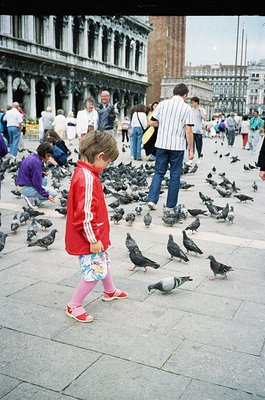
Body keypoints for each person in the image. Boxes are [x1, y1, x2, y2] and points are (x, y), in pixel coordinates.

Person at [65, 131, 128, 323]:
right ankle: (74, 305)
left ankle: (109, 291)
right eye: (107, 162)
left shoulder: (84, 172)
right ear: (100, 156)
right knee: (93, 274)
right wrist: (93, 240)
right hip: (89, 238)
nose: (107, 166)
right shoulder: (88, 179)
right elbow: (84, 215)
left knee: (103, 263)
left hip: (92, 235)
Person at [146, 83, 194, 212]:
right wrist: (191, 149)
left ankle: (151, 199)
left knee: (158, 173)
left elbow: (150, 121)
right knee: (174, 175)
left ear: (173, 92)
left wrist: (161, 124)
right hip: (177, 146)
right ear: (185, 95)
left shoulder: (162, 104)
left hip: (161, 144)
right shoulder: (186, 108)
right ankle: (170, 205)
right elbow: (188, 129)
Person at [16, 142, 57, 209]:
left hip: (21, 184)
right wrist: (47, 195)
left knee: (44, 180)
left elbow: (30, 172)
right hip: (25, 187)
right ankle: (33, 200)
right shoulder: (36, 162)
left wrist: (42, 174)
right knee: (53, 193)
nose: (48, 158)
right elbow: (36, 183)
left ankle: (32, 197)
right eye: (48, 156)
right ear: (44, 153)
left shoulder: (31, 157)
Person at [190, 96, 206, 161]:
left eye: (193, 103)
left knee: (199, 145)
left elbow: (204, 117)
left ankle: (199, 155)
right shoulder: (191, 110)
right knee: (191, 145)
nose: (192, 104)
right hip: (191, 130)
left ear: (196, 103)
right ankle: (191, 156)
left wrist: (200, 111)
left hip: (198, 130)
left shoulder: (202, 110)